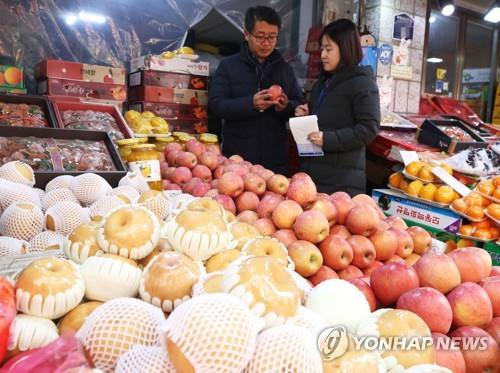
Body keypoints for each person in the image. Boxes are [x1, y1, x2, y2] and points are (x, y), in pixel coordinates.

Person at [209, 6, 303, 175]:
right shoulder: (228, 67)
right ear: (246, 34)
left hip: (275, 162)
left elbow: (298, 105)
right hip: (238, 160)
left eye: (272, 37)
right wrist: (250, 103)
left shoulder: (284, 70)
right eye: (260, 37)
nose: (266, 43)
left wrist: (286, 106)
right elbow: (216, 105)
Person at [295, 19, 380, 196]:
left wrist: (329, 139)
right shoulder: (322, 83)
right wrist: (307, 114)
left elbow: (368, 128)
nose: (323, 54)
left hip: (341, 181)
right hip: (315, 173)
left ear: (346, 48)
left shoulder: (362, 84)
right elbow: (328, 117)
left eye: (329, 49)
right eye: (322, 49)